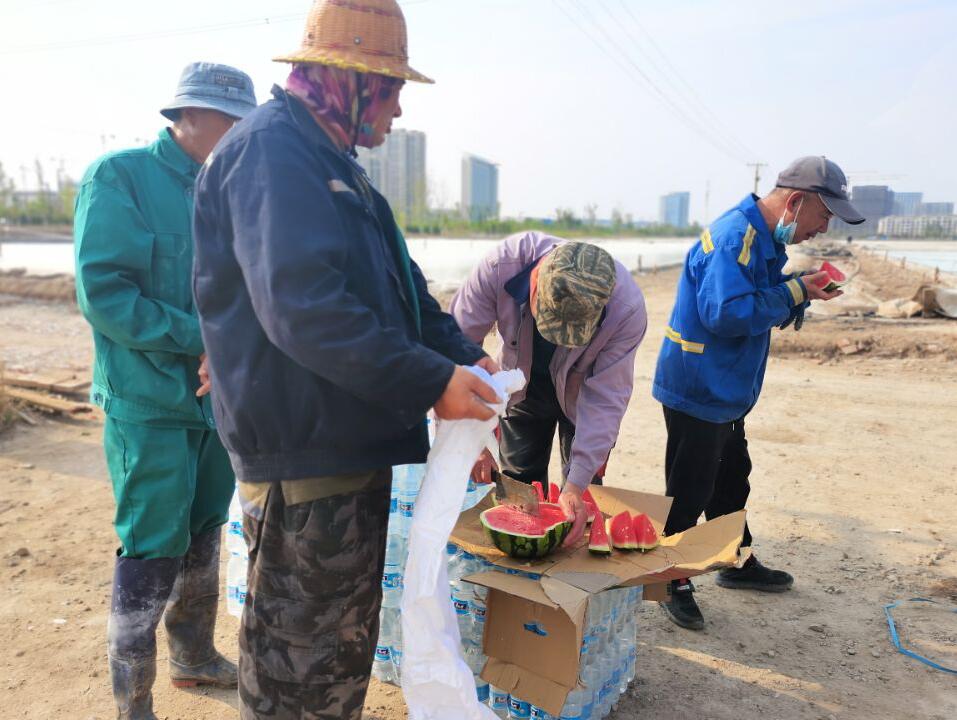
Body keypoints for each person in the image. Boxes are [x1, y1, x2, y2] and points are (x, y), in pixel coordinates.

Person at [191, 1, 499, 717]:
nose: (397, 109)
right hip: (303, 454)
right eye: (389, 89)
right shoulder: (273, 153)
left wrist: (465, 361)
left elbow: (403, 294)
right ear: (349, 81)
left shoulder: (338, 168)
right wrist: (432, 380)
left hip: (341, 444)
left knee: (337, 649)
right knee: (300, 664)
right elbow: (303, 308)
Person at [74, 62, 257, 719]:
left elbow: (244, 288)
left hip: (215, 400)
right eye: (232, 122)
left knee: (205, 526)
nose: (242, 137)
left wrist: (234, 345)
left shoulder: (232, 191)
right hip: (148, 400)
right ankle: (134, 700)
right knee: (153, 540)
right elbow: (105, 295)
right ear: (188, 116)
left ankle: (193, 656)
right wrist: (201, 339)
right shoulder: (119, 177)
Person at [652, 156, 865, 630]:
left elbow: (752, 298)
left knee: (731, 476)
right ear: (796, 202)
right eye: (824, 216)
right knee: (690, 488)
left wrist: (801, 289)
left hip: (724, 386)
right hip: (700, 385)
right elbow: (726, 313)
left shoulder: (763, 238)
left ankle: (735, 559)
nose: (823, 228)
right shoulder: (736, 238)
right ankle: (669, 577)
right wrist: (794, 293)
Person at [450, 233, 648, 545]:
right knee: (519, 484)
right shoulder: (499, 267)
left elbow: (607, 399)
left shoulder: (628, 310)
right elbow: (455, 350)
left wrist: (576, 485)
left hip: (584, 394)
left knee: (583, 493)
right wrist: (468, 440)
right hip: (522, 384)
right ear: (535, 281)